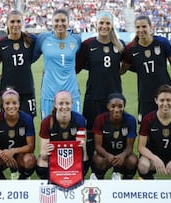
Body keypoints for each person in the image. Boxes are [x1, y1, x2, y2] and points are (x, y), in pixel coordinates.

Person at [76, 10, 125, 173]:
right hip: (93, 96)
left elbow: (126, 66)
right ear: (96, 24)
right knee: (90, 133)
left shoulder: (120, 45)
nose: (104, 26)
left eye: (107, 23)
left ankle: (116, 171)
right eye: (101, 23)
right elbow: (76, 67)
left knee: (114, 134)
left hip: (114, 99)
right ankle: (92, 169)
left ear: (112, 25)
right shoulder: (88, 45)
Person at [121, 15, 171, 123]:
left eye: (144, 26)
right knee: (146, 132)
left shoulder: (162, 43)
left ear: (151, 27)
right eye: (138, 27)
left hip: (166, 94)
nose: (141, 30)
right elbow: (122, 69)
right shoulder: (130, 49)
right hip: (145, 97)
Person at [33, 9, 82, 119]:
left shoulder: (76, 39)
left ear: (68, 22)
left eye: (63, 20)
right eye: (57, 20)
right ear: (52, 22)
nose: (60, 23)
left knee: (75, 128)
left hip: (71, 91)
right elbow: (31, 58)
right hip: (49, 92)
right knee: (48, 129)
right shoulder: (43, 39)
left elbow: (81, 59)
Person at [137, 84, 171, 179]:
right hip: (153, 157)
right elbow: (141, 147)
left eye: (168, 100)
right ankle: (151, 189)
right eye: (162, 100)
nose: (165, 104)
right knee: (142, 165)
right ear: (156, 101)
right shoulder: (148, 119)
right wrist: (155, 158)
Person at [0, 88, 36, 180]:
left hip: (20, 154)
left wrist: (13, 151)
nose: (11, 106)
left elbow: (31, 147)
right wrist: (3, 154)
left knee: (30, 160)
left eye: (14, 103)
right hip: (2, 154)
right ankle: (3, 181)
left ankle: (22, 180)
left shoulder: (27, 119)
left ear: (19, 104)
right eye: (7, 103)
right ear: (2, 105)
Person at [0, 10, 37, 118]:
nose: (15, 24)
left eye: (18, 21)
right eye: (12, 22)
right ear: (7, 23)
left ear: (22, 22)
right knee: (8, 126)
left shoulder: (31, 40)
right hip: (8, 90)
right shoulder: (0, 43)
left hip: (27, 89)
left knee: (28, 125)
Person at [36, 91, 88, 180]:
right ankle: (48, 185)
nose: (64, 107)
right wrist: (47, 151)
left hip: (73, 157)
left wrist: (81, 146)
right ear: (55, 105)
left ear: (72, 104)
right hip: (54, 157)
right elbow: (43, 154)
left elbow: (82, 152)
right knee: (42, 162)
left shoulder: (80, 120)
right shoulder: (47, 122)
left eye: (67, 103)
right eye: (60, 103)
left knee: (84, 159)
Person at [91, 92, 138, 180]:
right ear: (108, 106)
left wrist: (122, 156)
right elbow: (97, 146)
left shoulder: (130, 120)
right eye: (113, 106)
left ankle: (126, 181)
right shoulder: (100, 119)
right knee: (98, 160)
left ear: (124, 106)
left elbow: (129, 147)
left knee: (133, 160)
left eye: (120, 106)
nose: (116, 109)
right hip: (105, 153)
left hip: (122, 153)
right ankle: (98, 177)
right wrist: (108, 155)